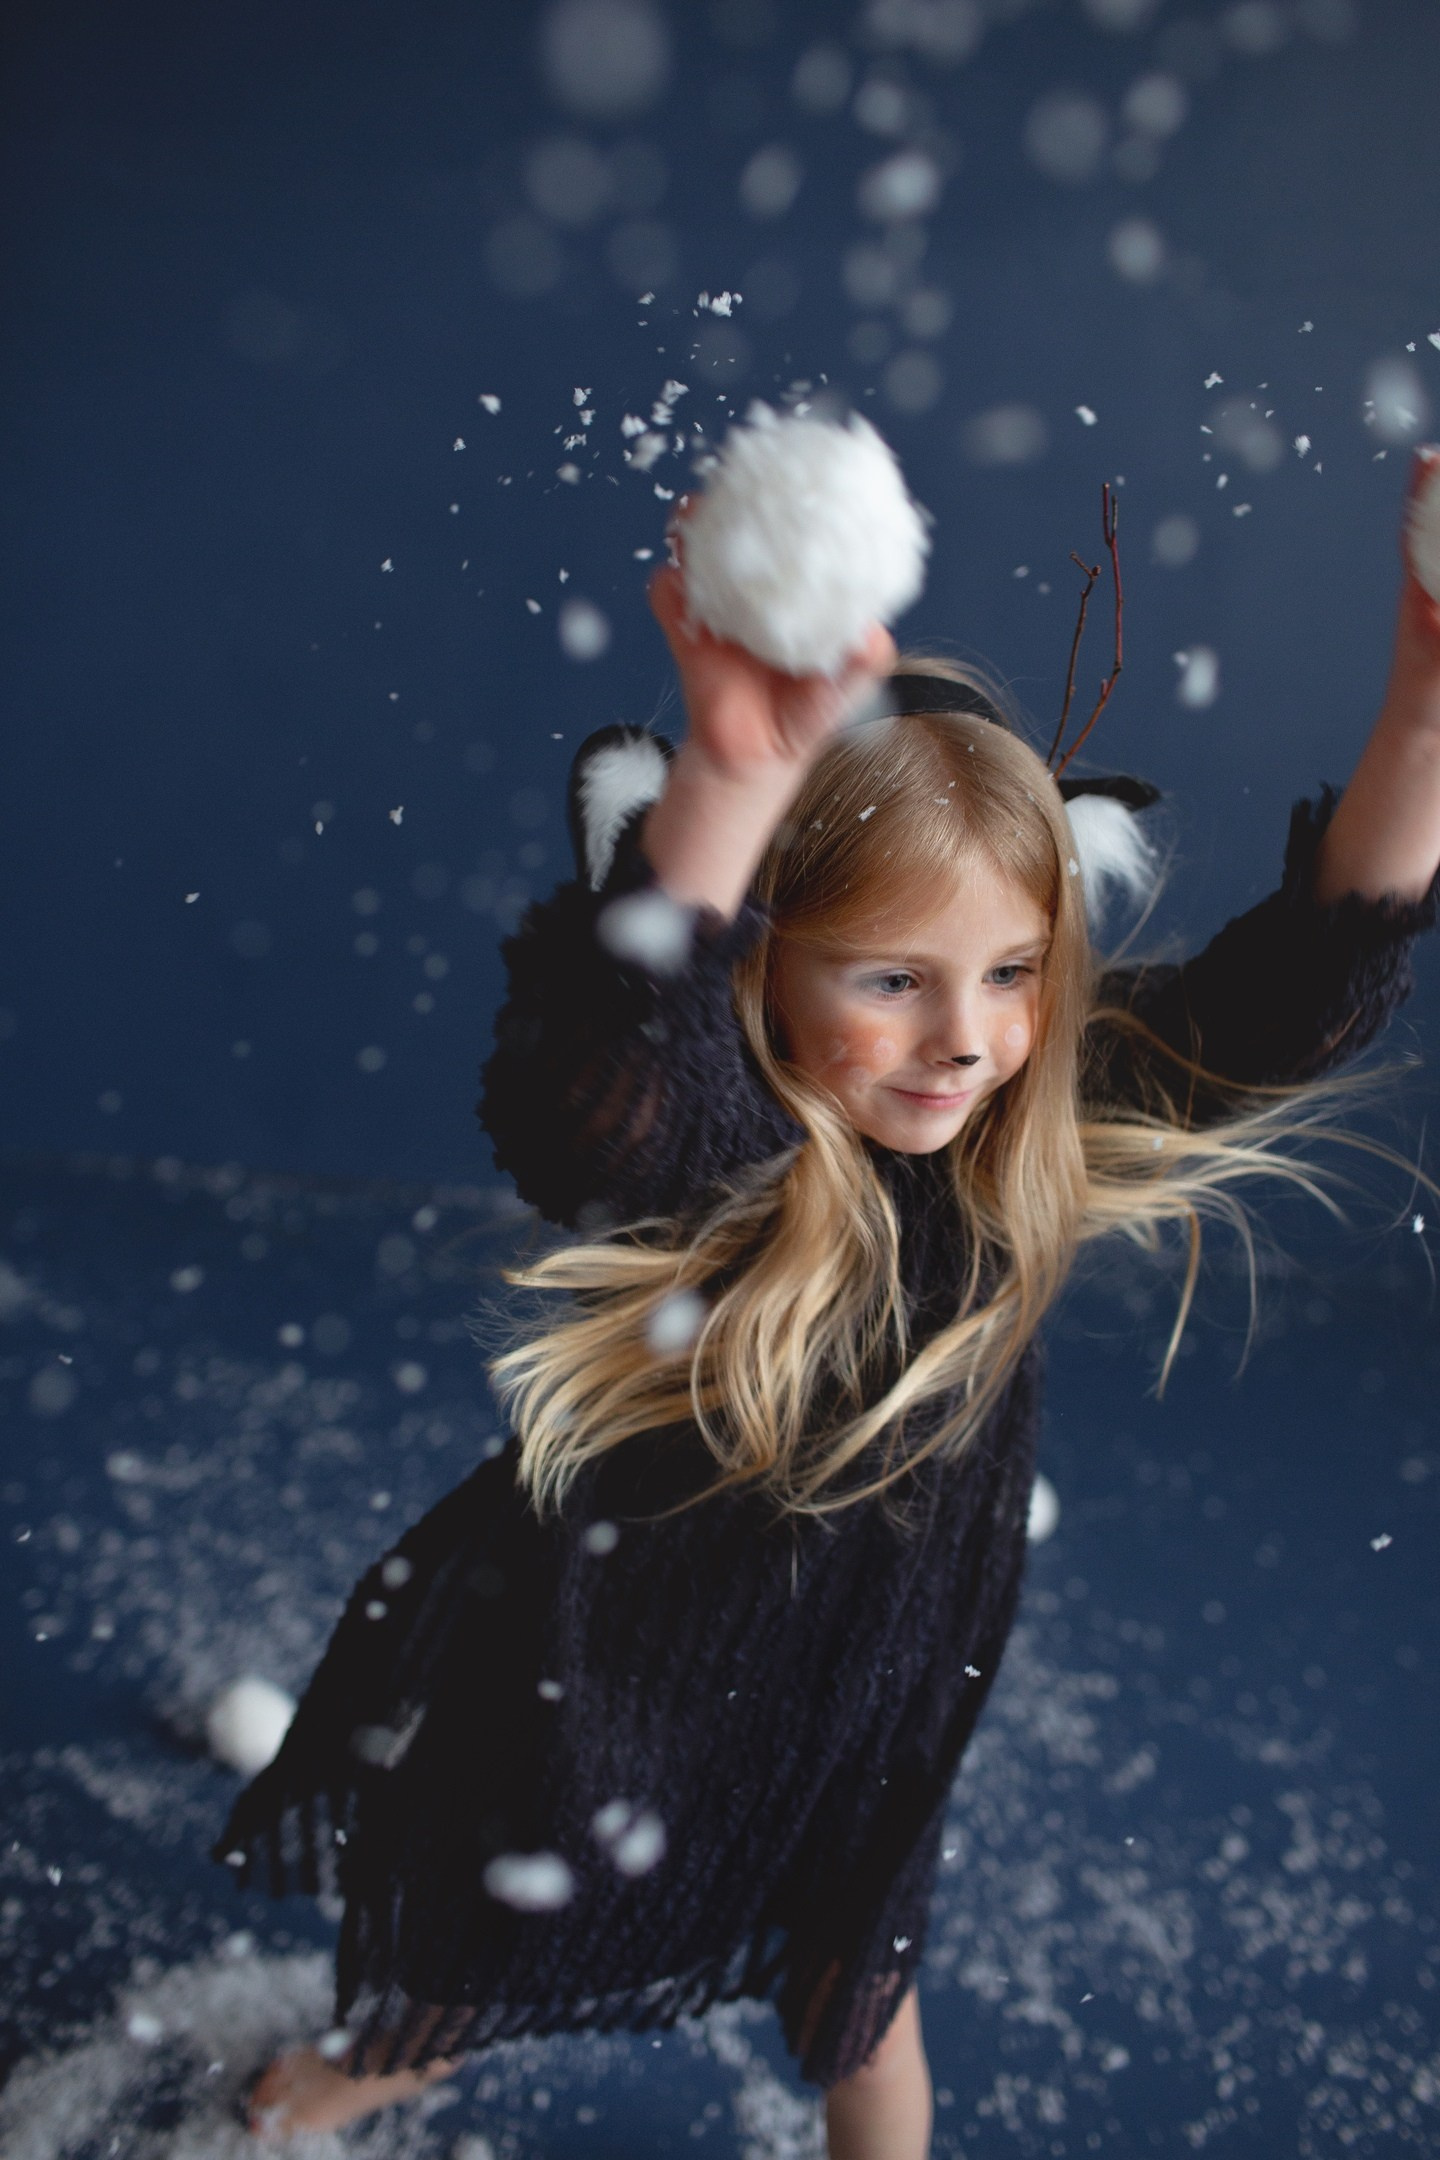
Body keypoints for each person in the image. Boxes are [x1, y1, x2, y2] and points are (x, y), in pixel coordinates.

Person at [219, 450, 1440, 2155]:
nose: (966, 1036)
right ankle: (369, 2063)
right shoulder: (726, 1145)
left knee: (863, 2003)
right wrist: (729, 777)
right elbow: (615, 1081)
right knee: (493, 1932)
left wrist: (1426, 713)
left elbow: (1303, 984)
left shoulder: (1031, 1115)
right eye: (893, 980)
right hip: (628, 1671)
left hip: (874, 1680)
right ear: (767, 969)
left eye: (1013, 973)